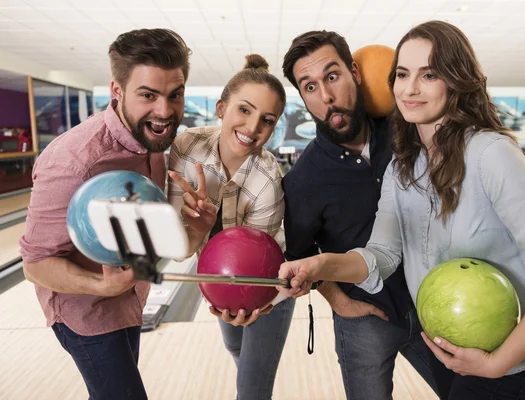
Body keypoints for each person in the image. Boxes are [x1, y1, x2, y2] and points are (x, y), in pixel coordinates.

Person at [278, 20, 525, 400]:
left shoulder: (490, 155)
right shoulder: (403, 168)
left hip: (503, 356)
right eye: (402, 74)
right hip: (444, 346)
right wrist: (321, 266)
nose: (410, 88)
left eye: (428, 74)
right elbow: (382, 254)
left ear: (455, 80)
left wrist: (496, 364)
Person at [19, 28, 191, 400]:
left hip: (129, 295)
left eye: (174, 95)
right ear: (117, 90)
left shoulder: (154, 142)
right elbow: (34, 264)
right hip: (86, 311)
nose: (164, 111)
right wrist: (102, 286)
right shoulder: (73, 162)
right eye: (148, 95)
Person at [279, 30, 440, 400]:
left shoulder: (407, 132)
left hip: (432, 302)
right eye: (310, 87)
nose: (326, 96)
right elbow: (301, 256)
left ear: (354, 71)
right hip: (366, 317)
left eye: (332, 76)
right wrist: (340, 302)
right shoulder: (302, 181)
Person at [167, 54, 295, 400]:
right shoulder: (187, 146)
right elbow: (178, 249)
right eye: (244, 110)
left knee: (253, 387)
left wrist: (257, 303)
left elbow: (259, 269)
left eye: (267, 120)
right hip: (218, 277)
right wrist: (197, 225)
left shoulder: (268, 179)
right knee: (236, 348)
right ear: (222, 108)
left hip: (269, 284)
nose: (253, 127)